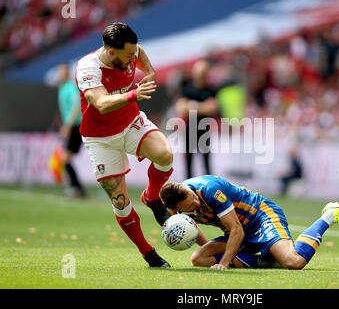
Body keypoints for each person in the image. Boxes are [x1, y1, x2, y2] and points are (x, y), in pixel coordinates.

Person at [75, 22, 173, 267]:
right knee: (120, 203)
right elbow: (100, 103)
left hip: (130, 122)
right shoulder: (88, 68)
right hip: (100, 139)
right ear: (111, 52)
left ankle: (152, 198)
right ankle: (147, 252)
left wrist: (149, 73)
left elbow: (139, 53)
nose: (132, 59)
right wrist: (132, 95)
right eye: (127, 55)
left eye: (133, 53)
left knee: (165, 155)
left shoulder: (130, 51)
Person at [159, 175, 339, 270]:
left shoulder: (210, 190)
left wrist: (223, 264)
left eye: (193, 196)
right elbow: (194, 230)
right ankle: (266, 261)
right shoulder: (177, 210)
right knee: (199, 258)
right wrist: (199, 242)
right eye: (191, 203)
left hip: (261, 217)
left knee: (294, 262)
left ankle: (329, 215)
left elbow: (236, 230)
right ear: (177, 209)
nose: (196, 200)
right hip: (239, 232)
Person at [174, 60, 219, 178]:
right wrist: (202, 106)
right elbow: (181, 108)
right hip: (190, 130)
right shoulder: (187, 88)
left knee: (206, 164)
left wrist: (192, 106)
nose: (200, 75)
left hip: (204, 130)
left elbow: (212, 108)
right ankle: (188, 190)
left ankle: (209, 189)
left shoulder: (211, 89)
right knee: (188, 163)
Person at [57, 63, 87, 198]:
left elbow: (76, 107)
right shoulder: (62, 88)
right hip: (72, 126)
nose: (60, 75)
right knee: (66, 158)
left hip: (76, 126)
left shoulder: (70, 88)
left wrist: (67, 126)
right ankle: (76, 188)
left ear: (67, 73)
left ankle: (77, 188)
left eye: (62, 72)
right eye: (59, 72)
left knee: (65, 158)